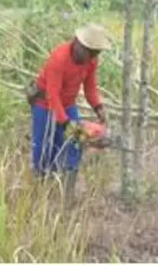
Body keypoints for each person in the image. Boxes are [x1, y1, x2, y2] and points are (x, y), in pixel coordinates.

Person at [26, 23, 111, 194]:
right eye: (92, 52)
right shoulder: (59, 59)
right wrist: (65, 122)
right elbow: (52, 95)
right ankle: (41, 188)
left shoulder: (91, 61)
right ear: (80, 44)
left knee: (74, 144)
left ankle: (67, 188)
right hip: (45, 105)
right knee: (43, 147)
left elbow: (90, 87)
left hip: (68, 104)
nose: (94, 57)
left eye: (97, 53)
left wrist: (98, 107)